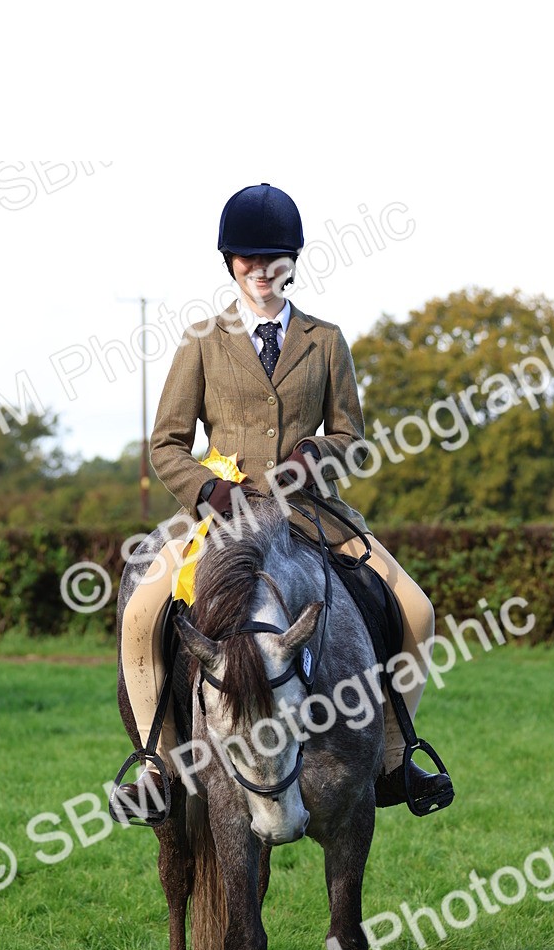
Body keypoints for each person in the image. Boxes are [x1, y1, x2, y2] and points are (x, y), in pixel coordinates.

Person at [118, 183, 453, 819]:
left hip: (309, 512)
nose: (261, 270)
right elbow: (166, 443)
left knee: (417, 608)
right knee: (140, 615)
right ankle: (156, 768)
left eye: (274, 258)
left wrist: (315, 455)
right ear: (230, 263)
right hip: (221, 516)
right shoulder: (202, 339)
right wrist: (207, 488)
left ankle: (392, 758)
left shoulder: (325, 340)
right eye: (249, 258)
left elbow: (352, 438)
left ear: (292, 262)